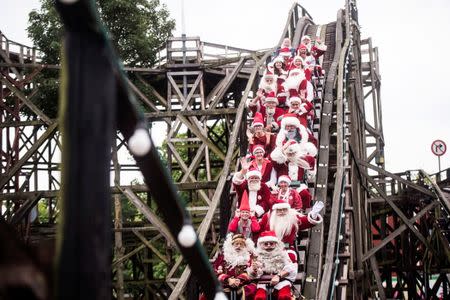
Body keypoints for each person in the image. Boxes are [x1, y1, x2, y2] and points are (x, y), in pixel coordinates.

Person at [248, 231, 297, 300]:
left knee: (284, 296)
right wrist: (254, 270)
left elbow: (290, 268)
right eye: (266, 244)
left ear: (276, 244)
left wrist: (278, 276)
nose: (268, 246)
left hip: (281, 282)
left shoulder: (282, 253)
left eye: (271, 243)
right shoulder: (257, 255)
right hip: (263, 283)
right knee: (259, 298)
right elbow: (253, 275)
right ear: (261, 245)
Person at [258, 201, 324, 248]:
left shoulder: (293, 217)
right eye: (279, 210)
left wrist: (313, 215)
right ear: (275, 210)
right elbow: (258, 229)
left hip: (287, 248)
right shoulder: (267, 217)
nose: (282, 212)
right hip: (268, 247)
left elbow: (306, 221)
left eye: (284, 210)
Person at [213, 234, 257, 299]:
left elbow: (251, 273)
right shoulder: (223, 257)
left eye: (241, 244)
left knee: (251, 290)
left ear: (245, 247)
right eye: (236, 244)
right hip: (225, 283)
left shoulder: (248, 257)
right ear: (231, 245)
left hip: (243, 283)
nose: (238, 246)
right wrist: (228, 280)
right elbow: (215, 271)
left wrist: (239, 280)